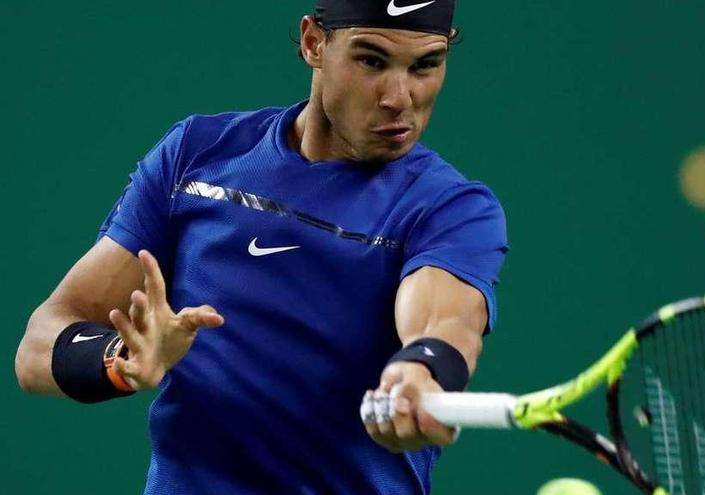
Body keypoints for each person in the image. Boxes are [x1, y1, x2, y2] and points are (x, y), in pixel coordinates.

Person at [14, 0, 508, 494]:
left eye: (426, 65)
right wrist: (121, 357)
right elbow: (38, 346)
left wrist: (419, 369)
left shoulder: (451, 208)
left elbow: (446, 322)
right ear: (314, 42)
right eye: (371, 61)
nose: (400, 98)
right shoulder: (197, 155)